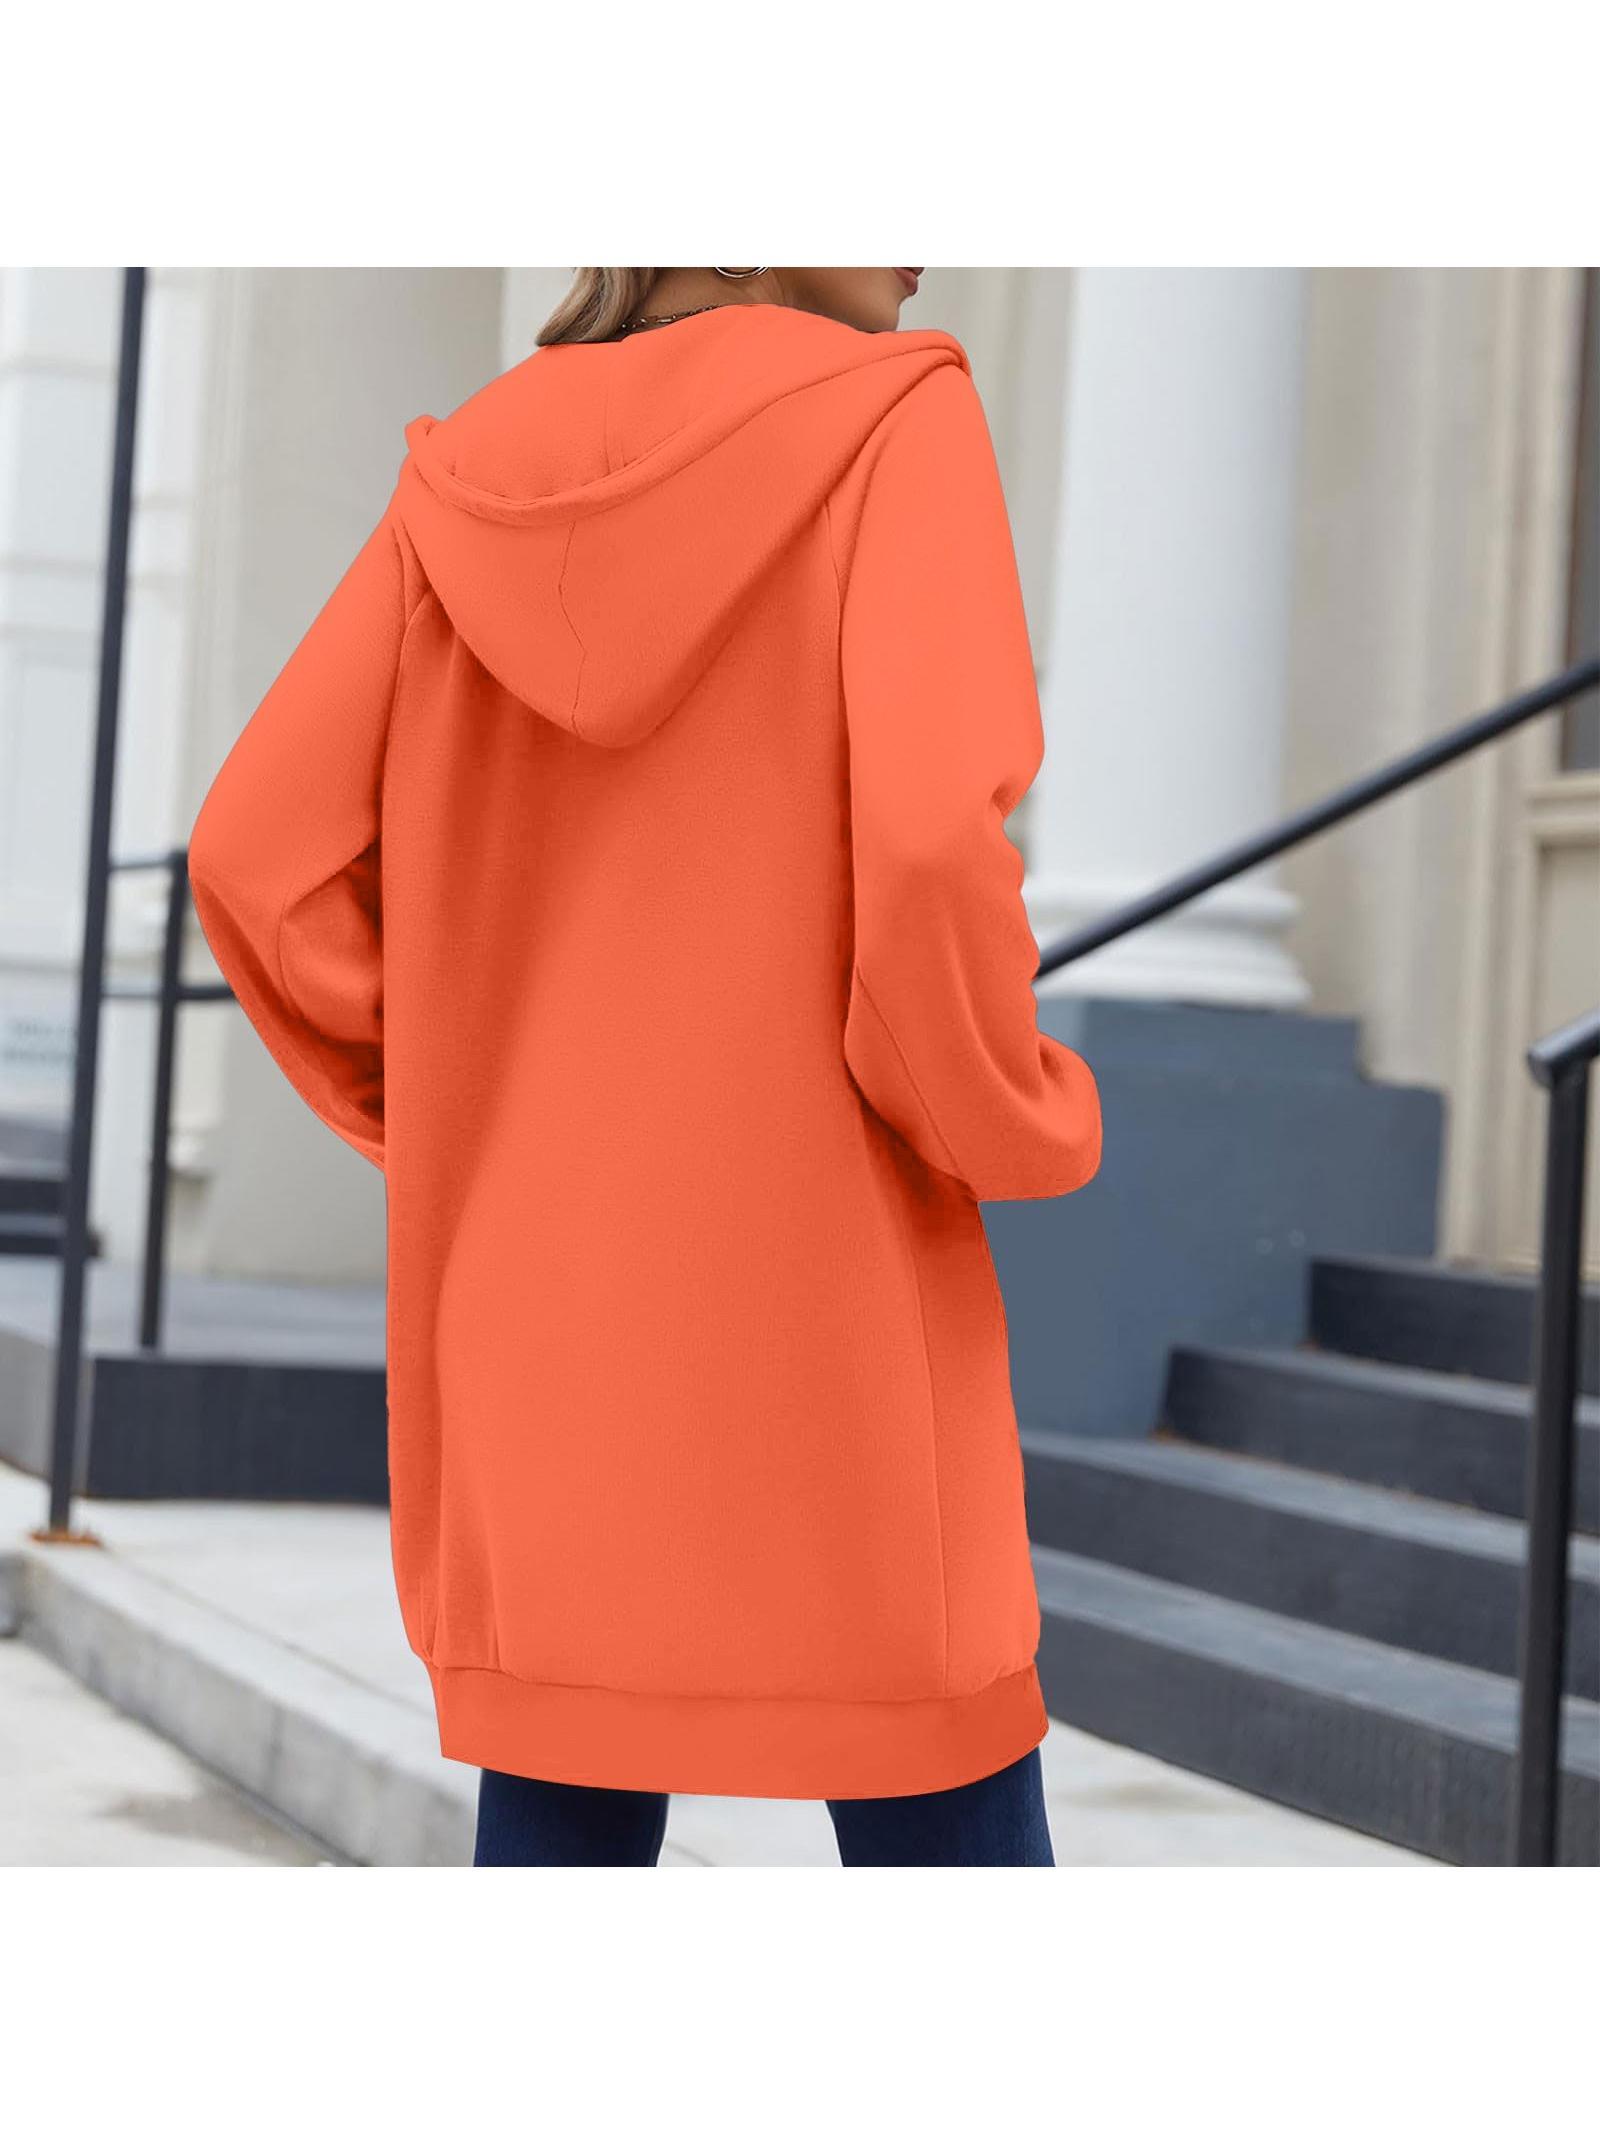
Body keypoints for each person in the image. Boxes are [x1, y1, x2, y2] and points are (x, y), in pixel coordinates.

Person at [187, 266, 1102, 1868]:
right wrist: (1017, 1108)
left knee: (562, 1814)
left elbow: (256, 861)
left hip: (542, 1323)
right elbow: (924, 857)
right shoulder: (895, 417)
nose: (930, 243)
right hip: (838, 1325)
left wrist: (466, 1111)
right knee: (947, 1821)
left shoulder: (470, 470)